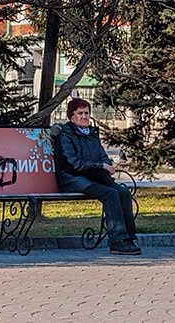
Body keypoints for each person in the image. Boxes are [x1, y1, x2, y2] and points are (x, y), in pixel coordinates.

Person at [53, 98, 141, 255]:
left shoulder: (92, 134)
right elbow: (73, 164)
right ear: (71, 116)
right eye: (80, 113)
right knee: (110, 194)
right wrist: (100, 166)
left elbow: (102, 155)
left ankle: (128, 238)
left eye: (87, 113)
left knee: (123, 191)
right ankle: (117, 241)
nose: (85, 116)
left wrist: (106, 166)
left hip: (93, 176)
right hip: (72, 178)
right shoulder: (65, 136)